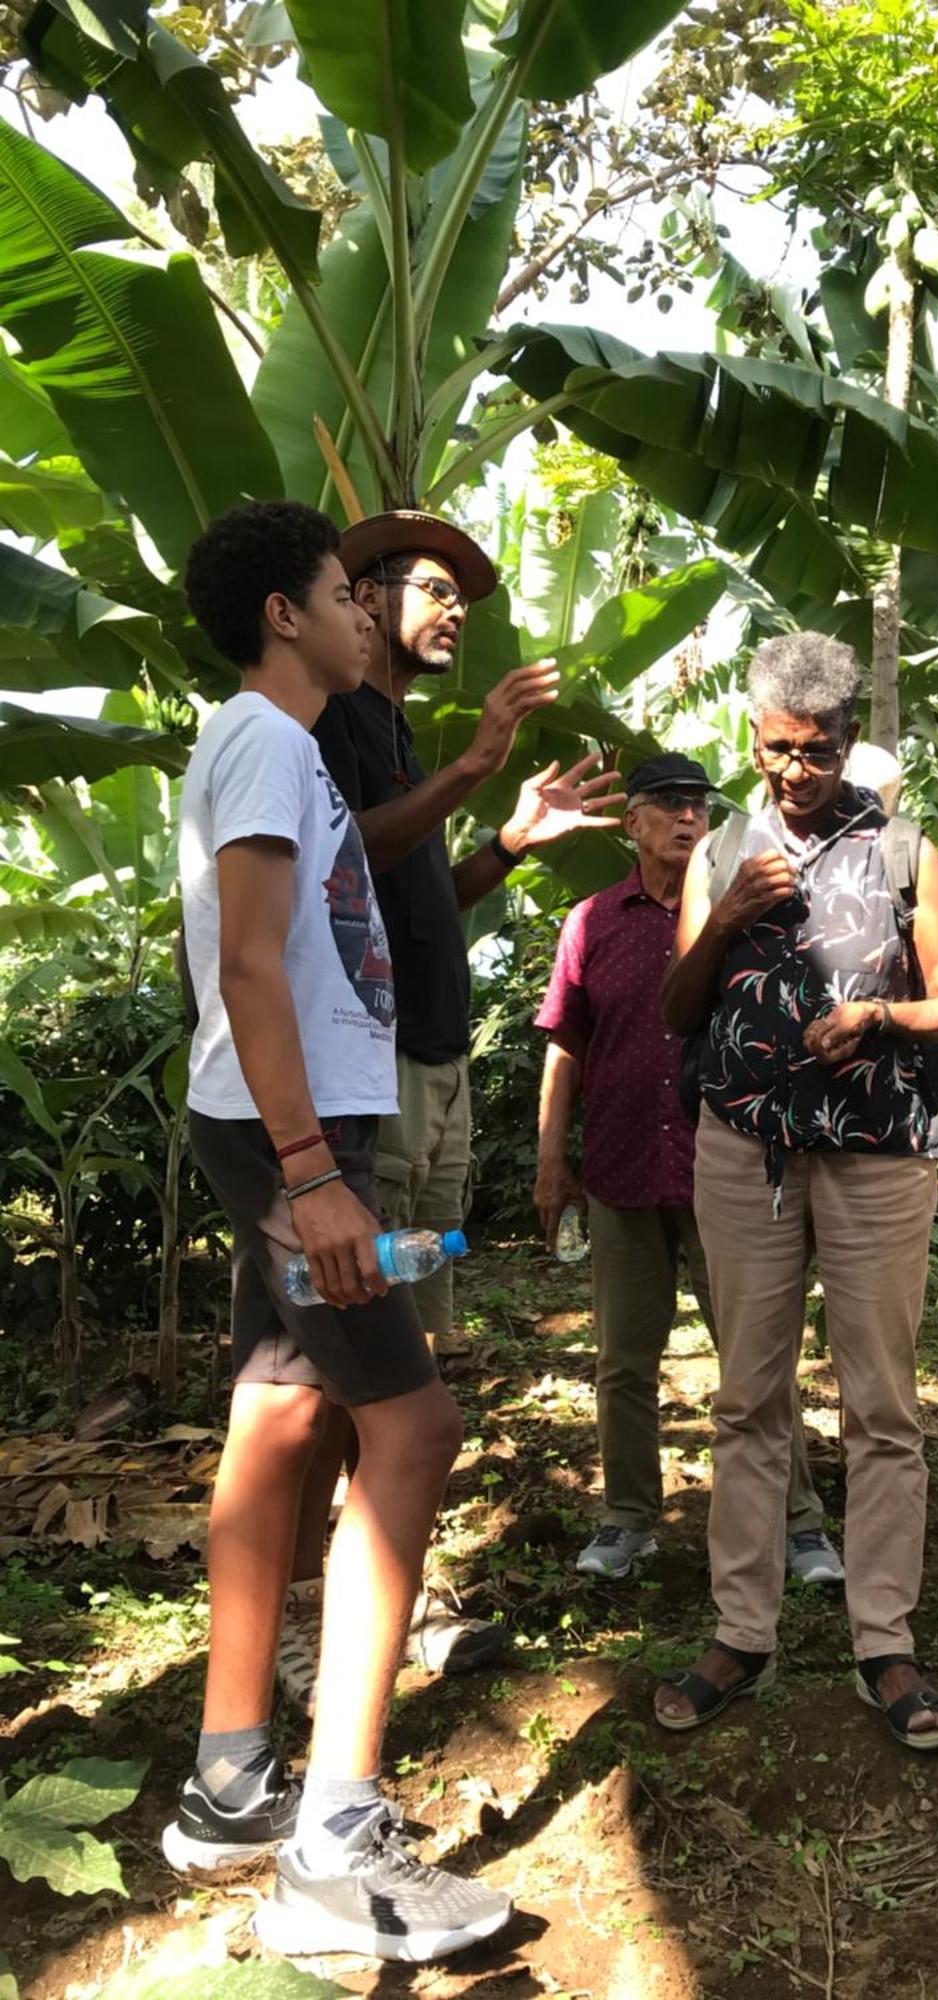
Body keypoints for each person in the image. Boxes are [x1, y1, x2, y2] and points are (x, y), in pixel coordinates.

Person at [164, 500, 513, 1961]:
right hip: (288, 1133)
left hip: (284, 1124)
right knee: (414, 1431)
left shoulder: (291, 750)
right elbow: (247, 961)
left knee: (282, 1412)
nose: (364, 612)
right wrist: (314, 1171)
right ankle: (336, 1841)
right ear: (284, 617)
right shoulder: (263, 738)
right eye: (340, 591)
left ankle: (235, 1779)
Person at [271, 509, 624, 1713]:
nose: (455, 604)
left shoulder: (394, 730)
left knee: (405, 1339)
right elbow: (341, 864)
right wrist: (480, 765)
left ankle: (394, 1594)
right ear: (355, 599)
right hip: (360, 1086)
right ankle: (313, 1622)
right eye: (429, 584)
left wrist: (510, 842)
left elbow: (417, 898)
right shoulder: (330, 726)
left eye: (461, 589)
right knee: (347, 1350)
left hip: (424, 1067)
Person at [654, 634, 938, 1752]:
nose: (792, 772)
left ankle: (882, 1638)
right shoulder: (722, 853)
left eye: (816, 751)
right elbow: (675, 1007)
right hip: (743, 1147)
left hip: (878, 1155)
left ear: (851, 742)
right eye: (775, 749)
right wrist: (733, 909)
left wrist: (879, 1016)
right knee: (746, 1398)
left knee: (881, 1402)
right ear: (754, 735)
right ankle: (742, 1631)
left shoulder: (902, 851)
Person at [532, 752, 843, 1584]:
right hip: (621, 1169)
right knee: (623, 1361)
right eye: (667, 804)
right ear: (630, 822)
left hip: (729, 1170)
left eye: (698, 806)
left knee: (756, 1354)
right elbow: (567, 1047)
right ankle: (628, 1518)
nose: (688, 818)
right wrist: (550, 1160)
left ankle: (799, 1522)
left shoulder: (746, 913)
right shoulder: (593, 922)